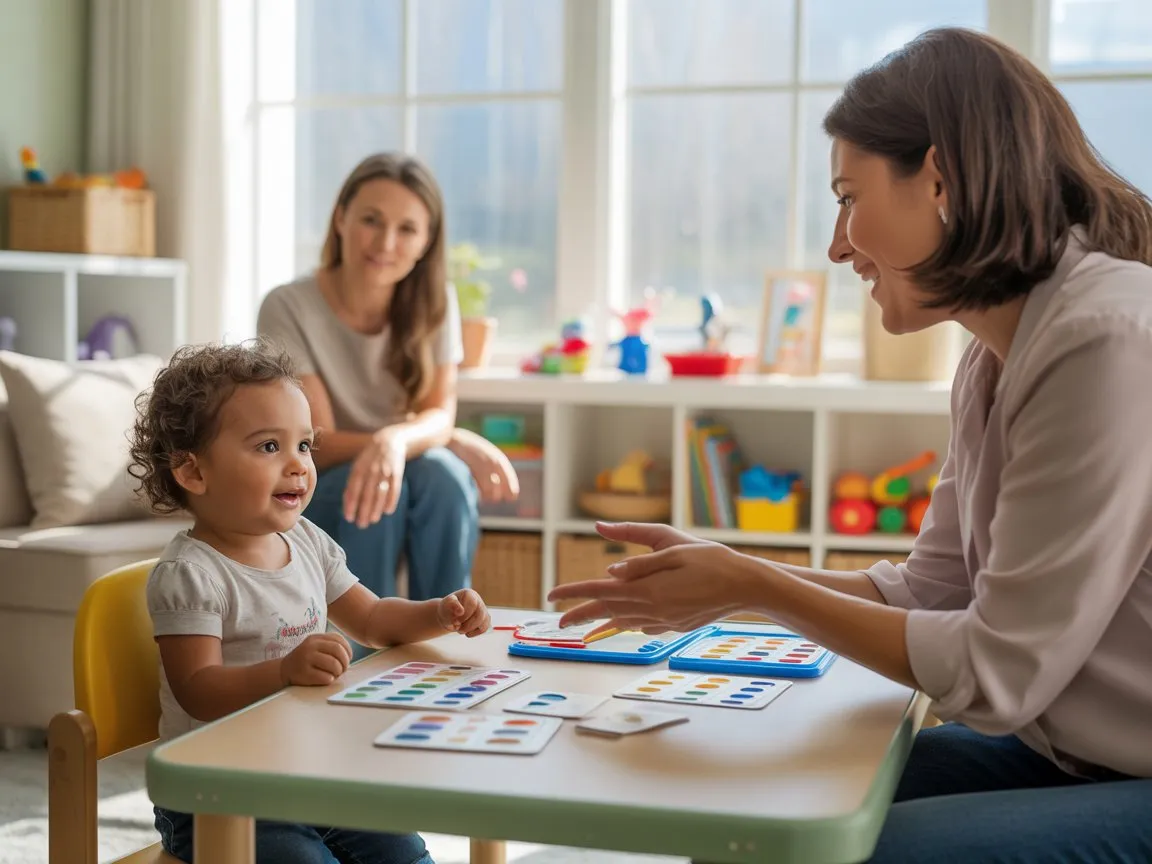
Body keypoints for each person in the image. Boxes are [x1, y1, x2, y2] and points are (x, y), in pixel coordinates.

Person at [549, 27, 1152, 864]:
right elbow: (930, 591)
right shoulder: (991, 358)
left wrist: (753, 584)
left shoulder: (1104, 338)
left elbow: (994, 670)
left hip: (1127, 776)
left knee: (845, 853)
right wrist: (726, 572)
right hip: (1073, 755)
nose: (837, 245)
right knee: (751, 820)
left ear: (939, 178)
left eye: (847, 196)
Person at [128, 340, 492, 864]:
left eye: (305, 445)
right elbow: (198, 691)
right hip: (214, 795)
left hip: (306, 769)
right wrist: (284, 671)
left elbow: (370, 619)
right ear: (193, 473)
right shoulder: (190, 574)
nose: (298, 465)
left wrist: (437, 613)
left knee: (403, 850)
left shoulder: (306, 540)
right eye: (269, 447)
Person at [257, 152, 517, 627]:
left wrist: (394, 441)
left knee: (446, 479)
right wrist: (432, 436)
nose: (386, 242)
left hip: (405, 462)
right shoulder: (288, 306)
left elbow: (438, 412)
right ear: (340, 219)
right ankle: (363, 655)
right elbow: (317, 440)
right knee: (379, 491)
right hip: (325, 474)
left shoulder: (436, 304)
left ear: (427, 242)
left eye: (407, 229)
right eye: (371, 221)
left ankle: (448, 631)